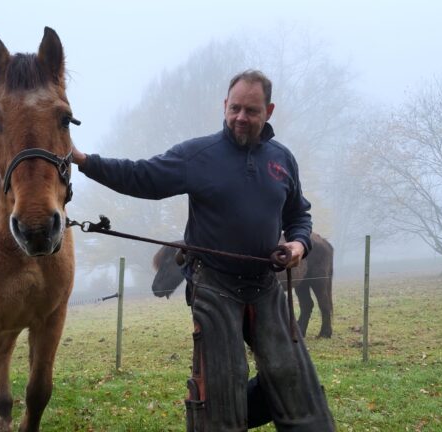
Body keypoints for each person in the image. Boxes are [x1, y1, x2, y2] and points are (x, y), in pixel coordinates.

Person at [71, 70, 335, 431]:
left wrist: (299, 243)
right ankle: (220, 413)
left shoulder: (282, 160)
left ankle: (243, 408)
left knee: (297, 388)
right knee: (220, 398)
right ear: (225, 106)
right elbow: (141, 176)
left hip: (266, 286)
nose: (241, 117)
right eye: (235, 108)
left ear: (268, 111)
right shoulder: (199, 155)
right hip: (214, 288)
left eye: (252, 111)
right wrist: (84, 161)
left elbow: (298, 213)